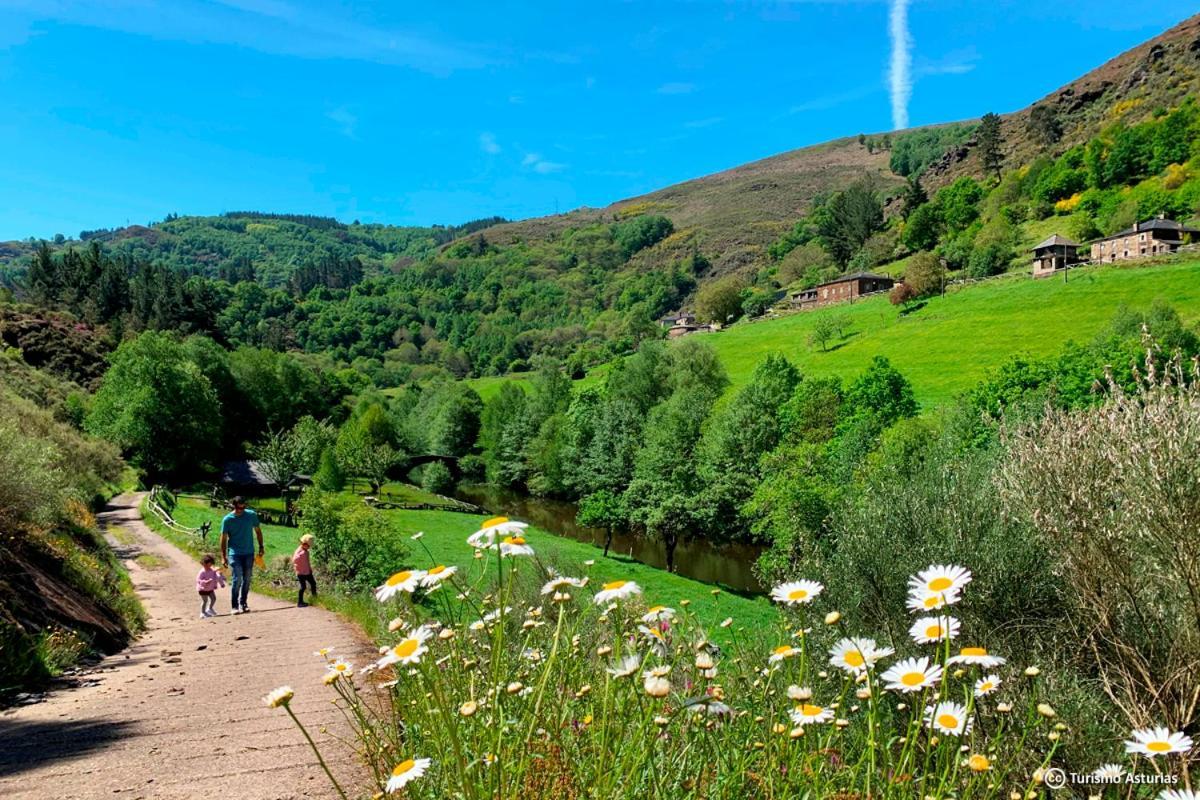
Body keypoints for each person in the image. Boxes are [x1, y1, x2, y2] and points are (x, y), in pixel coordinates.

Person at [219, 496, 264, 615]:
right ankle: (234, 606)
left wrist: (261, 546)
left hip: (249, 552)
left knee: (247, 578)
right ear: (234, 506)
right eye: (238, 508)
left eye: (243, 507)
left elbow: (258, 531)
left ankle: (243, 603)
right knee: (237, 578)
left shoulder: (251, 515)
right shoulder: (227, 519)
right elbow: (223, 539)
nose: (241, 510)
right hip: (234, 553)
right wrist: (223, 556)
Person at [292, 534, 317, 607]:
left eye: (309, 546)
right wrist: (302, 554)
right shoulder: (300, 551)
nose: (309, 547)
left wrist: (310, 569)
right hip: (301, 573)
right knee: (303, 587)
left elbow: (307, 562)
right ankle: (300, 602)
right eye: (308, 546)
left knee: (313, 584)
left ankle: (314, 599)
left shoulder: (306, 551)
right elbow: (295, 560)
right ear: (304, 544)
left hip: (307, 572)